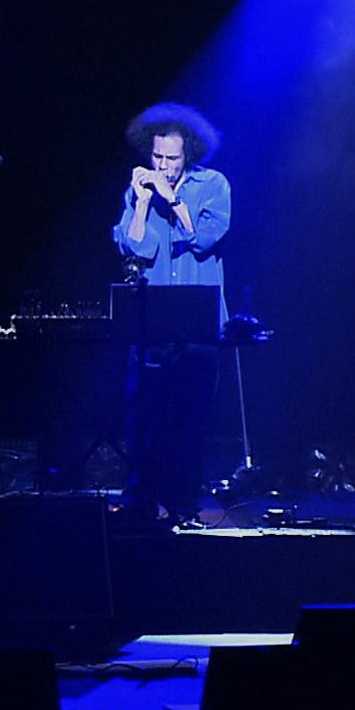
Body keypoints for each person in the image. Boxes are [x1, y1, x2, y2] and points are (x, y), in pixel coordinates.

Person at [111, 102, 231, 529]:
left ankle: (183, 501)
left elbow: (203, 239)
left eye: (172, 159)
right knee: (143, 416)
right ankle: (140, 499)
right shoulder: (140, 190)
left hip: (198, 324)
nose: (162, 166)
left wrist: (173, 199)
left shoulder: (213, 185)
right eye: (157, 158)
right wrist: (143, 203)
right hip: (152, 322)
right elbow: (134, 248)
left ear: (189, 155)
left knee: (190, 418)